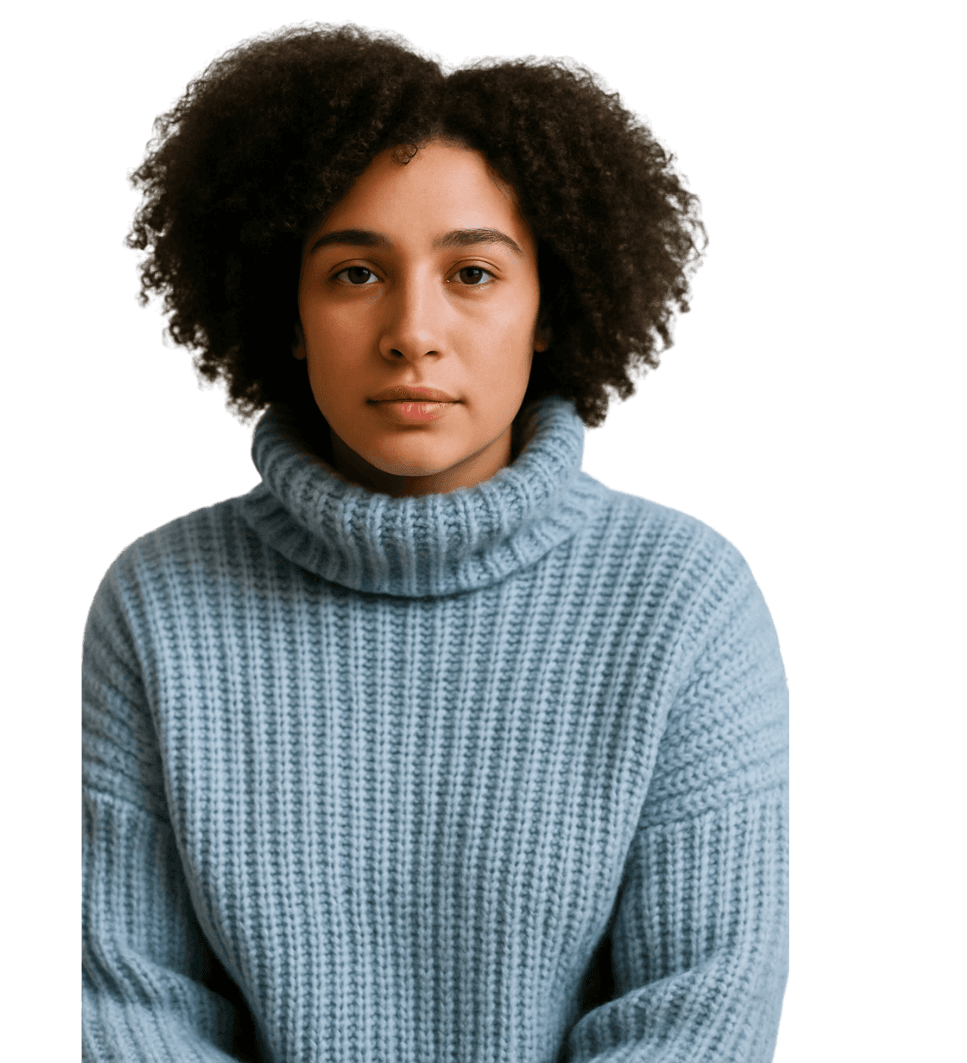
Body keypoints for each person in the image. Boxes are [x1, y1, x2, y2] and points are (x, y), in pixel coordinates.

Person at [82, 20, 790, 1063]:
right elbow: (126, 995)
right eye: (355, 274)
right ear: (288, 312)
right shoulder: (156, 600)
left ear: (549, 305)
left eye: (472, 274)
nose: (413, 328)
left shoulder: (684, 597)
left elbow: (703, 1005)